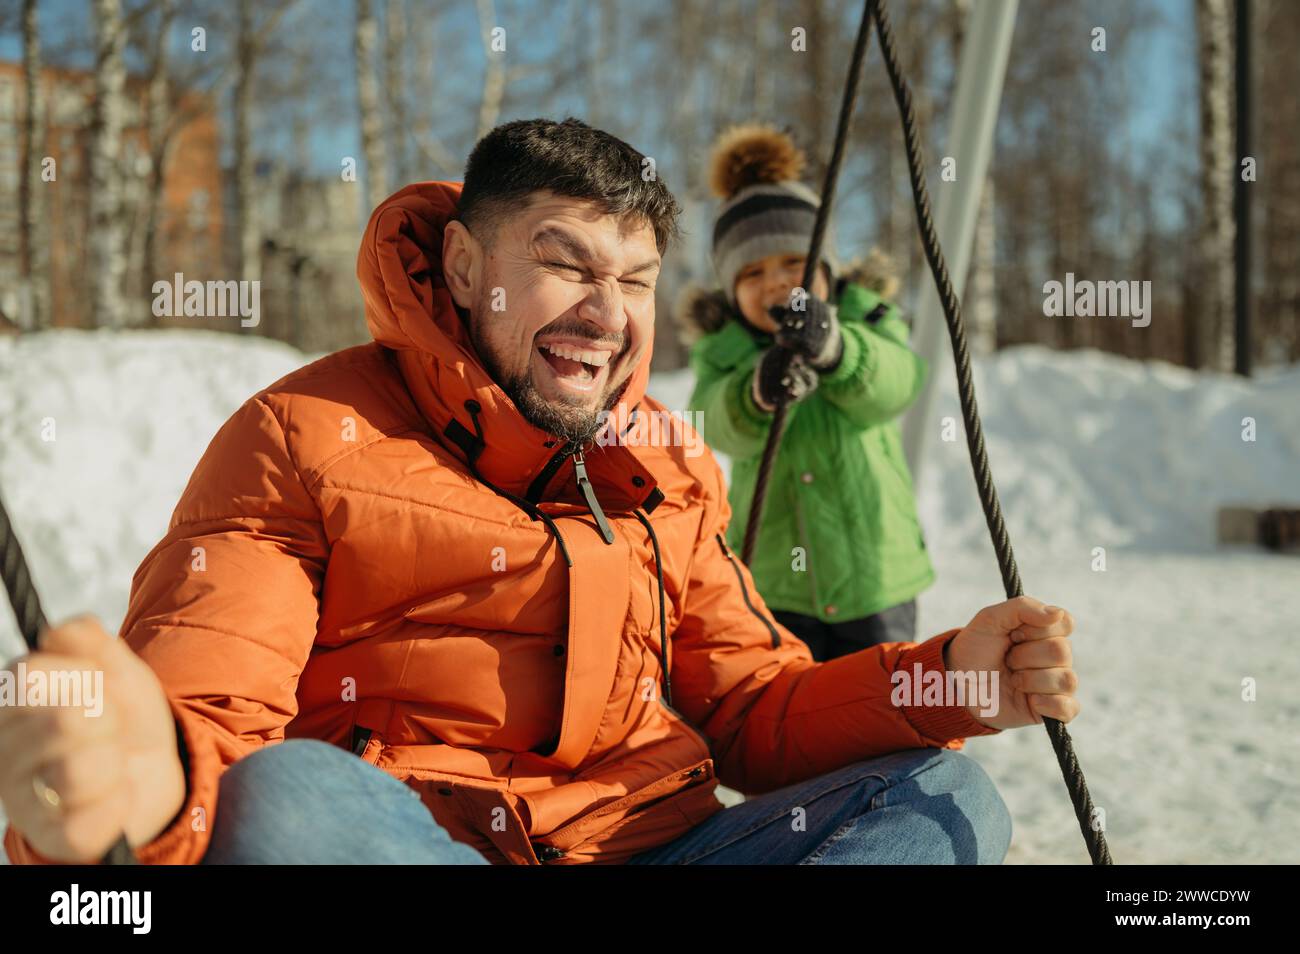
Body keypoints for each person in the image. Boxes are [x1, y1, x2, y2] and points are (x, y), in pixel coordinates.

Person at [0, 117, 1079, 866]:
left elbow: (752, 712)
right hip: (417, 842)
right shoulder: (305, 436)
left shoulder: (664, 460)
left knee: (941, 798)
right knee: (280, 799)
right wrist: (152, 790)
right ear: (465, 268)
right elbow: (210, 705)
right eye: (564, 265)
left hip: (650, 844)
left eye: (635, 280)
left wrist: (946, 683)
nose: (606, 314)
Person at [685, 124, 934, 659]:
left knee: (884, 707)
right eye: (752, 272)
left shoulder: (866, 318)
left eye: (793, 262)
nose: (775, 281)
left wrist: (839, 352)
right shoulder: (724, 351)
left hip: (876, 576)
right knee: (796, 711)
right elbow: (711, 420)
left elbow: (898, 383)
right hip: (778, 580)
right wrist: (754, 394)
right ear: (730, 292)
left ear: (826, 268)